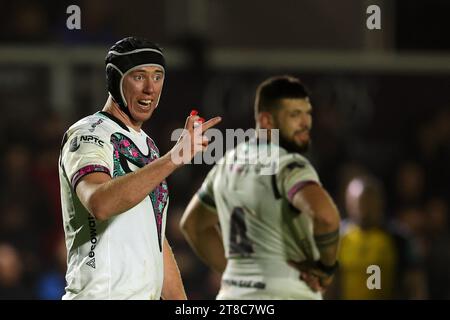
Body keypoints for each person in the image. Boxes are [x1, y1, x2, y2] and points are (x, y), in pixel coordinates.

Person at [58, 36, 221, 300]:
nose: (150, 88)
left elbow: (153, 240)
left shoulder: (148, 146)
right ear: (115, 81)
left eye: (157, 77)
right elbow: (100, 203)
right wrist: (174, 158)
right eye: (138, 76)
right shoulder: (89, 134)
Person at [180, 75, 341, 299]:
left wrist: (238, 276)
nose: (306, 123)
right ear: (266, 121)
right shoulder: (288, 164)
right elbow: (325, 217)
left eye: (307, 113)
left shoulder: (227, 163)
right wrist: (326, 268)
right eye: (294, 115)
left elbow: (193, 225)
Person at [335, 174, 427, 299]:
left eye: (367, 202)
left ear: (379, 201)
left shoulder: (398, 238)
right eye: (357, 203)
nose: (362, 209)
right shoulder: (338, 238)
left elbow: (415, 282)